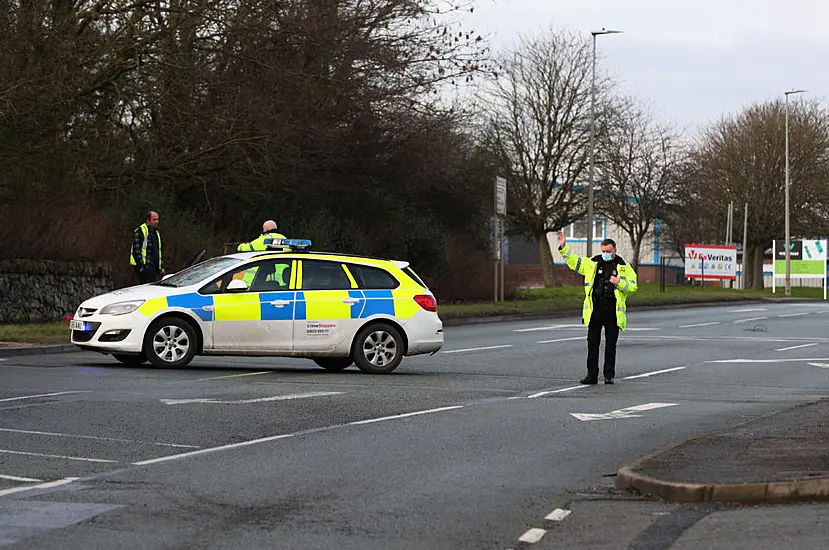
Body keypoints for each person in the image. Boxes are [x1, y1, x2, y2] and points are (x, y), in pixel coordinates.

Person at [557, 230, 638, 385]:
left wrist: (619, 282)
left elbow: (633, 287)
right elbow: (574, 262)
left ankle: (609, 375)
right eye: (603, 251)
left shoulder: (624, 267)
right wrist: (564, 247)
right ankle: (591, 375)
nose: (606, 254)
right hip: (596, 308)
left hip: (612, 309)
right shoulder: (592, 263)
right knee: (592, 344)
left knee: (610, 345)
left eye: (609, 251)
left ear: (615, 251)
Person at [237, 220, 288, 288]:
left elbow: (243, 248)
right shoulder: (284, 239)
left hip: (258, 283)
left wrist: (240, 246)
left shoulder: (263, 240)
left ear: (266, 229)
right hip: (281, 284)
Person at [130, 211, 164, 284]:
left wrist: (161, 267)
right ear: (148, 221)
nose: (157, 221)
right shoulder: (141, 230)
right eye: (154, 219)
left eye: (157, 219)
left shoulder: (156, 233)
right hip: (144, 267)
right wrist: (141, 266)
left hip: (153, 268)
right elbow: (136, 249)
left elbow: (158, 251)